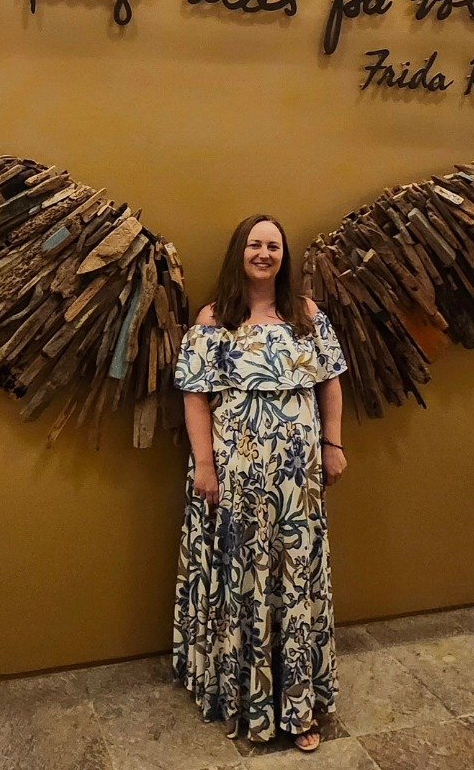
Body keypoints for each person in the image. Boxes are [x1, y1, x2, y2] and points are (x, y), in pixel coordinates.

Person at [171, 213, 348, 753]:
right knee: (243, 579)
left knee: (293, 580)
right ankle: (243, 699)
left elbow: (331, 382)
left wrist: (333, 444)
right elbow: (195, 395)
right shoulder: (214, 319)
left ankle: (297, 706)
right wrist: (205, 465)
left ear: (283, 256)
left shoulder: (306, 315)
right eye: (254, 244)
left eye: (273, 245)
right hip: (236, 474)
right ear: (239, 252)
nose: (264, 253)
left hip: (297, 479)